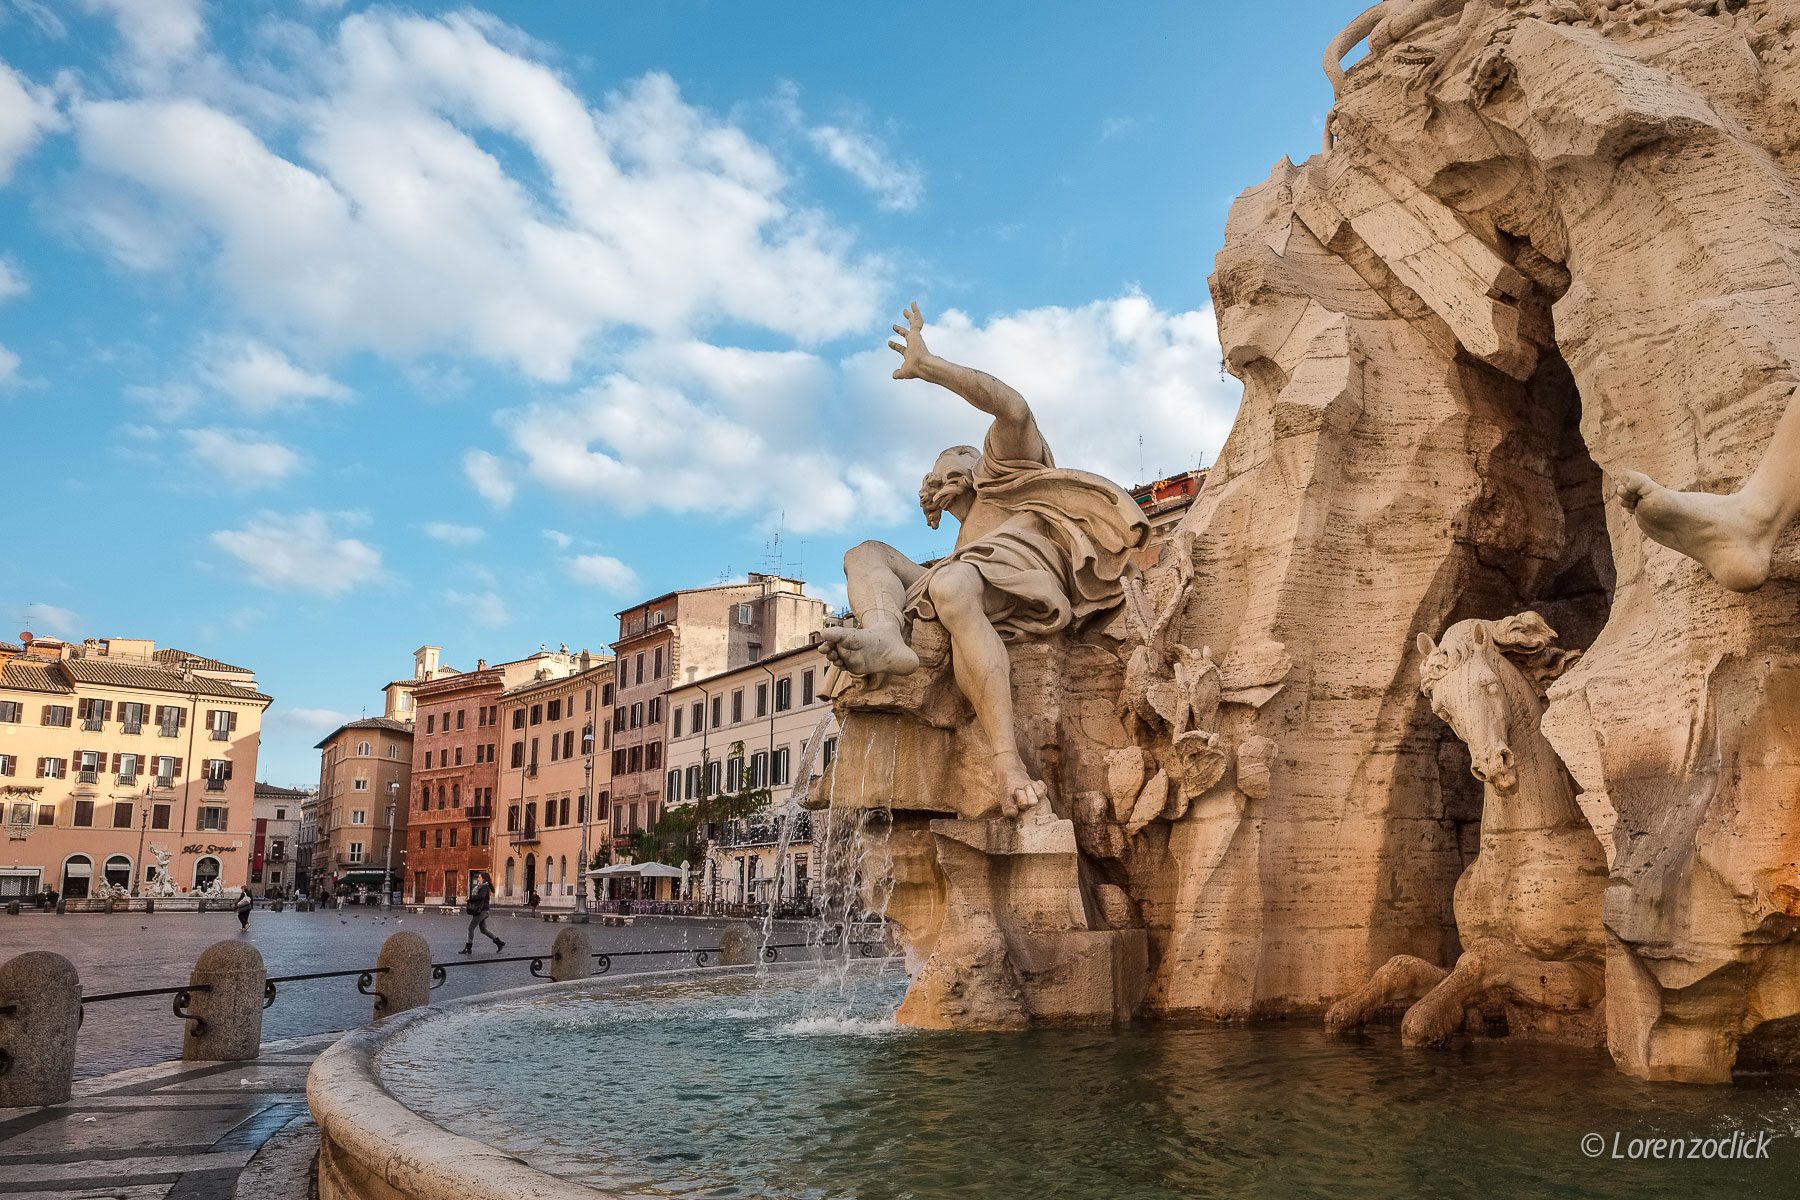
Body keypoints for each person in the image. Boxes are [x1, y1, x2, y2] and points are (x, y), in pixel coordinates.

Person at [819, 304, 1150, 817]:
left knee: (951, 584)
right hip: (962, 576)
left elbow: (1013, 408)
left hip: (1024, 575)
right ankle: (885, 635)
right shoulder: (956, 548)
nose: (943, 468)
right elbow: (944, 570)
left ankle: (1007, 764)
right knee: (864, 552)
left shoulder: (1007, 475)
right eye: (937, 467)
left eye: (957, 457)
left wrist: (930, 366)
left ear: (975, 466)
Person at [461, 874, 503, 955]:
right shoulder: (482, 887)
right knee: (483, 930)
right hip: (483, 911)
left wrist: (470, 898)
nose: (478, 879)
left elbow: (481, 896)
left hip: (482, 911)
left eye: (479, 877)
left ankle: (468, 948)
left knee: (471, 928)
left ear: (484, 879)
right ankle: (499, 942)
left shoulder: (484, 887)